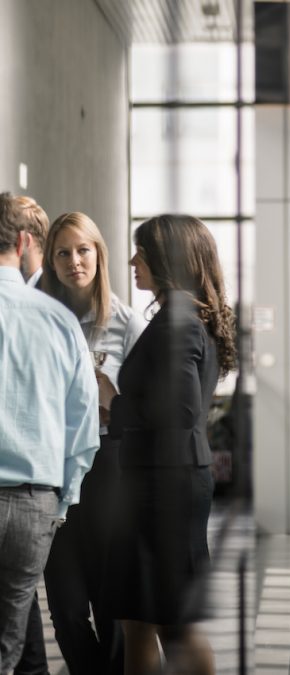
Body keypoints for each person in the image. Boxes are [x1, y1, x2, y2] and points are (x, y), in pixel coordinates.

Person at [98, 215, 236, 675]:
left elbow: (179, 412)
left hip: (165, 489)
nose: (133, 260)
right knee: (139, 619)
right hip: (160, 482)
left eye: (142, 251)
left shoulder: (178, 321)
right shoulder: (182, 316)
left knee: (171, 624)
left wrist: (111, 402)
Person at [40, 212, 146, 674]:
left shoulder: (126, 321)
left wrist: (107, 397)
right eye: (62, 252)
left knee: (110, 599)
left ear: (99, 255)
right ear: (50, 260)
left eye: (82, 250)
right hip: (52, 466)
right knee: (64, 607)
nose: (73, 261)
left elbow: (137, 408)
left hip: (109, 467)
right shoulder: (37, 315)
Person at [0, 192, 99, 673]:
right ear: (23, 243)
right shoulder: (59, 320)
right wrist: (61, 501)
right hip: (33, 500)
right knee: (12, 632)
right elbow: (83, 426)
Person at [6, 193, 53, 675]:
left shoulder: (53, 305)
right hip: (37, 487)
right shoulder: (47, 309)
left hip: (34, 487)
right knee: (22, 606)